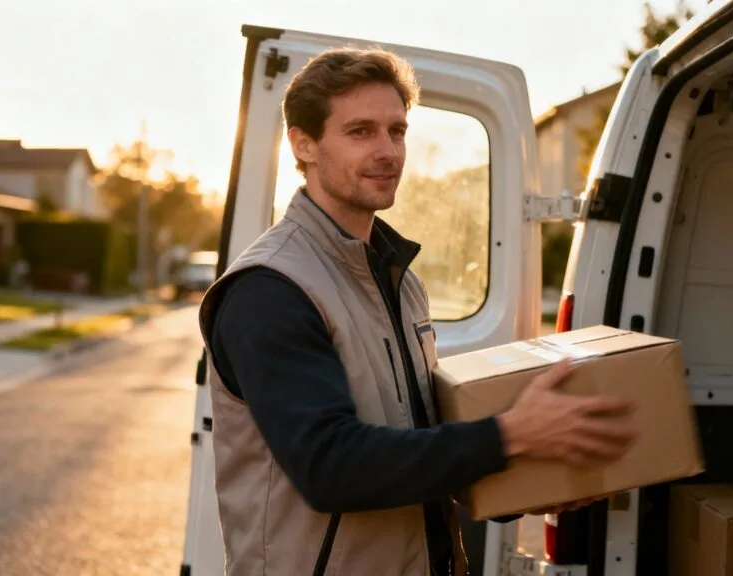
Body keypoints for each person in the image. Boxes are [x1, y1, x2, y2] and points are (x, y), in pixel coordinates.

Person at [197, 47, 637, 576]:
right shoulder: (270, 289)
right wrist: (511, 434)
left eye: (397, 131)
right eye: (360, 131)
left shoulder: (399, 281)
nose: (388, 151)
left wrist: (523, 481)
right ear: (303, 143)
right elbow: (330, 467)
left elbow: (413, 443)